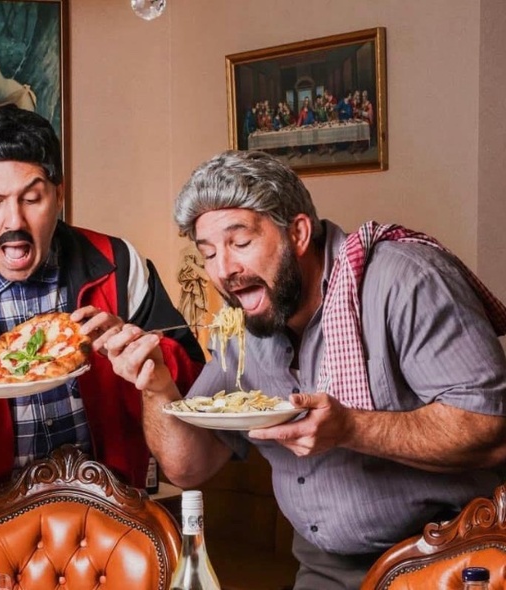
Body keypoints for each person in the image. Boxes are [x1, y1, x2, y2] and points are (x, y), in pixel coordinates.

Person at [103, 150, 506, 589]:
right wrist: (156, 385)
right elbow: (188, 468)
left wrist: (350, 429)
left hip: (451, 555)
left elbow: (492, 429)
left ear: (297, 232)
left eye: (240, 243)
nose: (225, 270)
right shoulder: (246, 324)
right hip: (323, 569)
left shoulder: (406, 281)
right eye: (209, 253)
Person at [0, 104, 205, 564]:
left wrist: (144, 353)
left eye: (31, 198)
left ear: (59, 194)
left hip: (114, 532)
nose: (12, 222)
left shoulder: (119, 264)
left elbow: (194, 394)